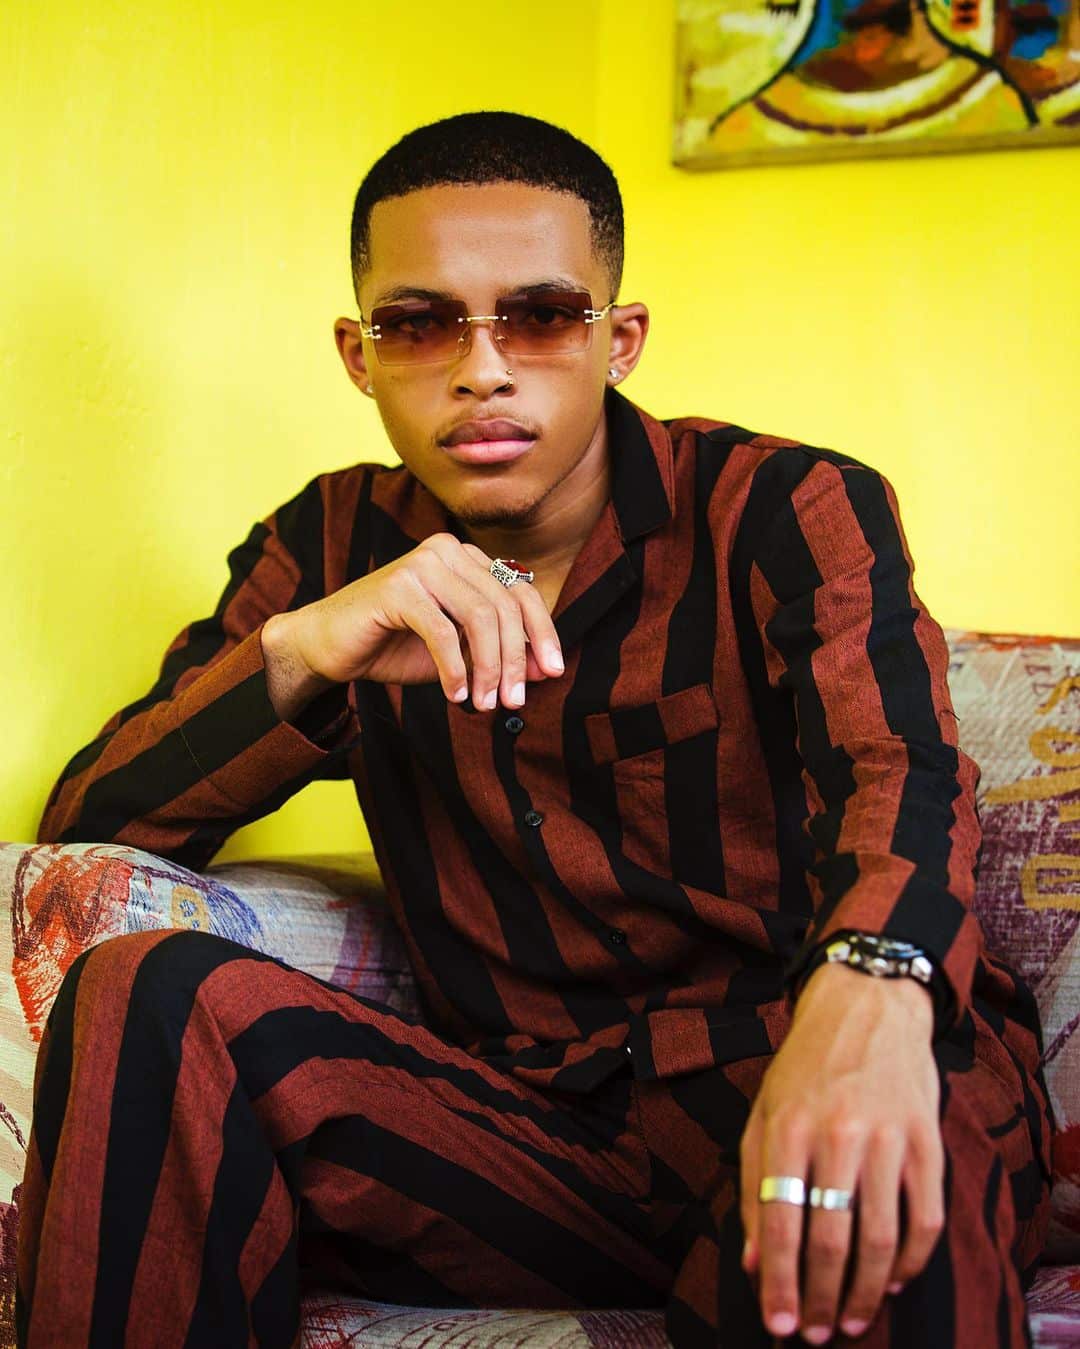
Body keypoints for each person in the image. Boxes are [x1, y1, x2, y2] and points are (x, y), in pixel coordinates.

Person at [16, 110, 1052, 1348]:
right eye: (419, 324)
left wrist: (871, 994)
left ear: (620, 339)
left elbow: (901, 770)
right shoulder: (333, 547)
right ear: (357, 354)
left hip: (813, 1060)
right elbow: (92, 827)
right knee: (148, 988)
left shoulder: (781, 505)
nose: (483, 370)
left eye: (542, 316)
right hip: (536, 1131)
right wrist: (304, 652)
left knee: (874, 1176)